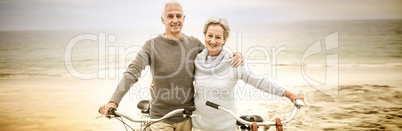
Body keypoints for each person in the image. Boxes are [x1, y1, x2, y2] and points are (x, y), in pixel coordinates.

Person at [98, 1, 244, 131]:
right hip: (160, 120)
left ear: (184, 18)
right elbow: (132, 72)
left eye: (178, 16)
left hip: (187, 119)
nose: (175, 20)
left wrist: (235, 55)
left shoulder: (194, 44)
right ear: (163, 20)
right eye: (170, 16)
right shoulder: (151, 46)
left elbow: (215, 52)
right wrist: (113, 101)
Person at [191, 17, 304, 131]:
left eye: (218, 37)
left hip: (226, 128)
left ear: (224, 40)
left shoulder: (234, 62)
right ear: (204, 35)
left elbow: (259, 80)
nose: (213, 41)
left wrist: (288, 94)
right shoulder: (196, 60)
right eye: (210, 35)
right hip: (198, 127)